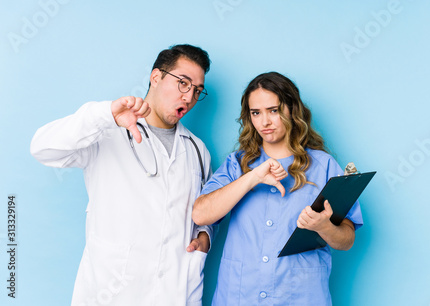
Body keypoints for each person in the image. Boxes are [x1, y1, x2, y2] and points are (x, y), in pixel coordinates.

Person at [31, 44, 213, 306]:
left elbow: (203, 210)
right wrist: (104, 116)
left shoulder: (197, 150)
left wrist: (206, 235)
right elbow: (42, 148)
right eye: (183, 83)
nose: (189, 96)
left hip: (175, 294)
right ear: (156, 77)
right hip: (112, 293)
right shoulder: (107, 130)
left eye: (197, 90)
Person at [192, 72, 363, 305]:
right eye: (256, 113)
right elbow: (201, 213)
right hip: (240, 295)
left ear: (292, 109)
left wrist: (324, 227)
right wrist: (252, 178)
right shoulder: (237, 164)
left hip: (300, 295)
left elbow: (347, 239)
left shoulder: (324, 166)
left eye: (274, 110)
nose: (265, 122)